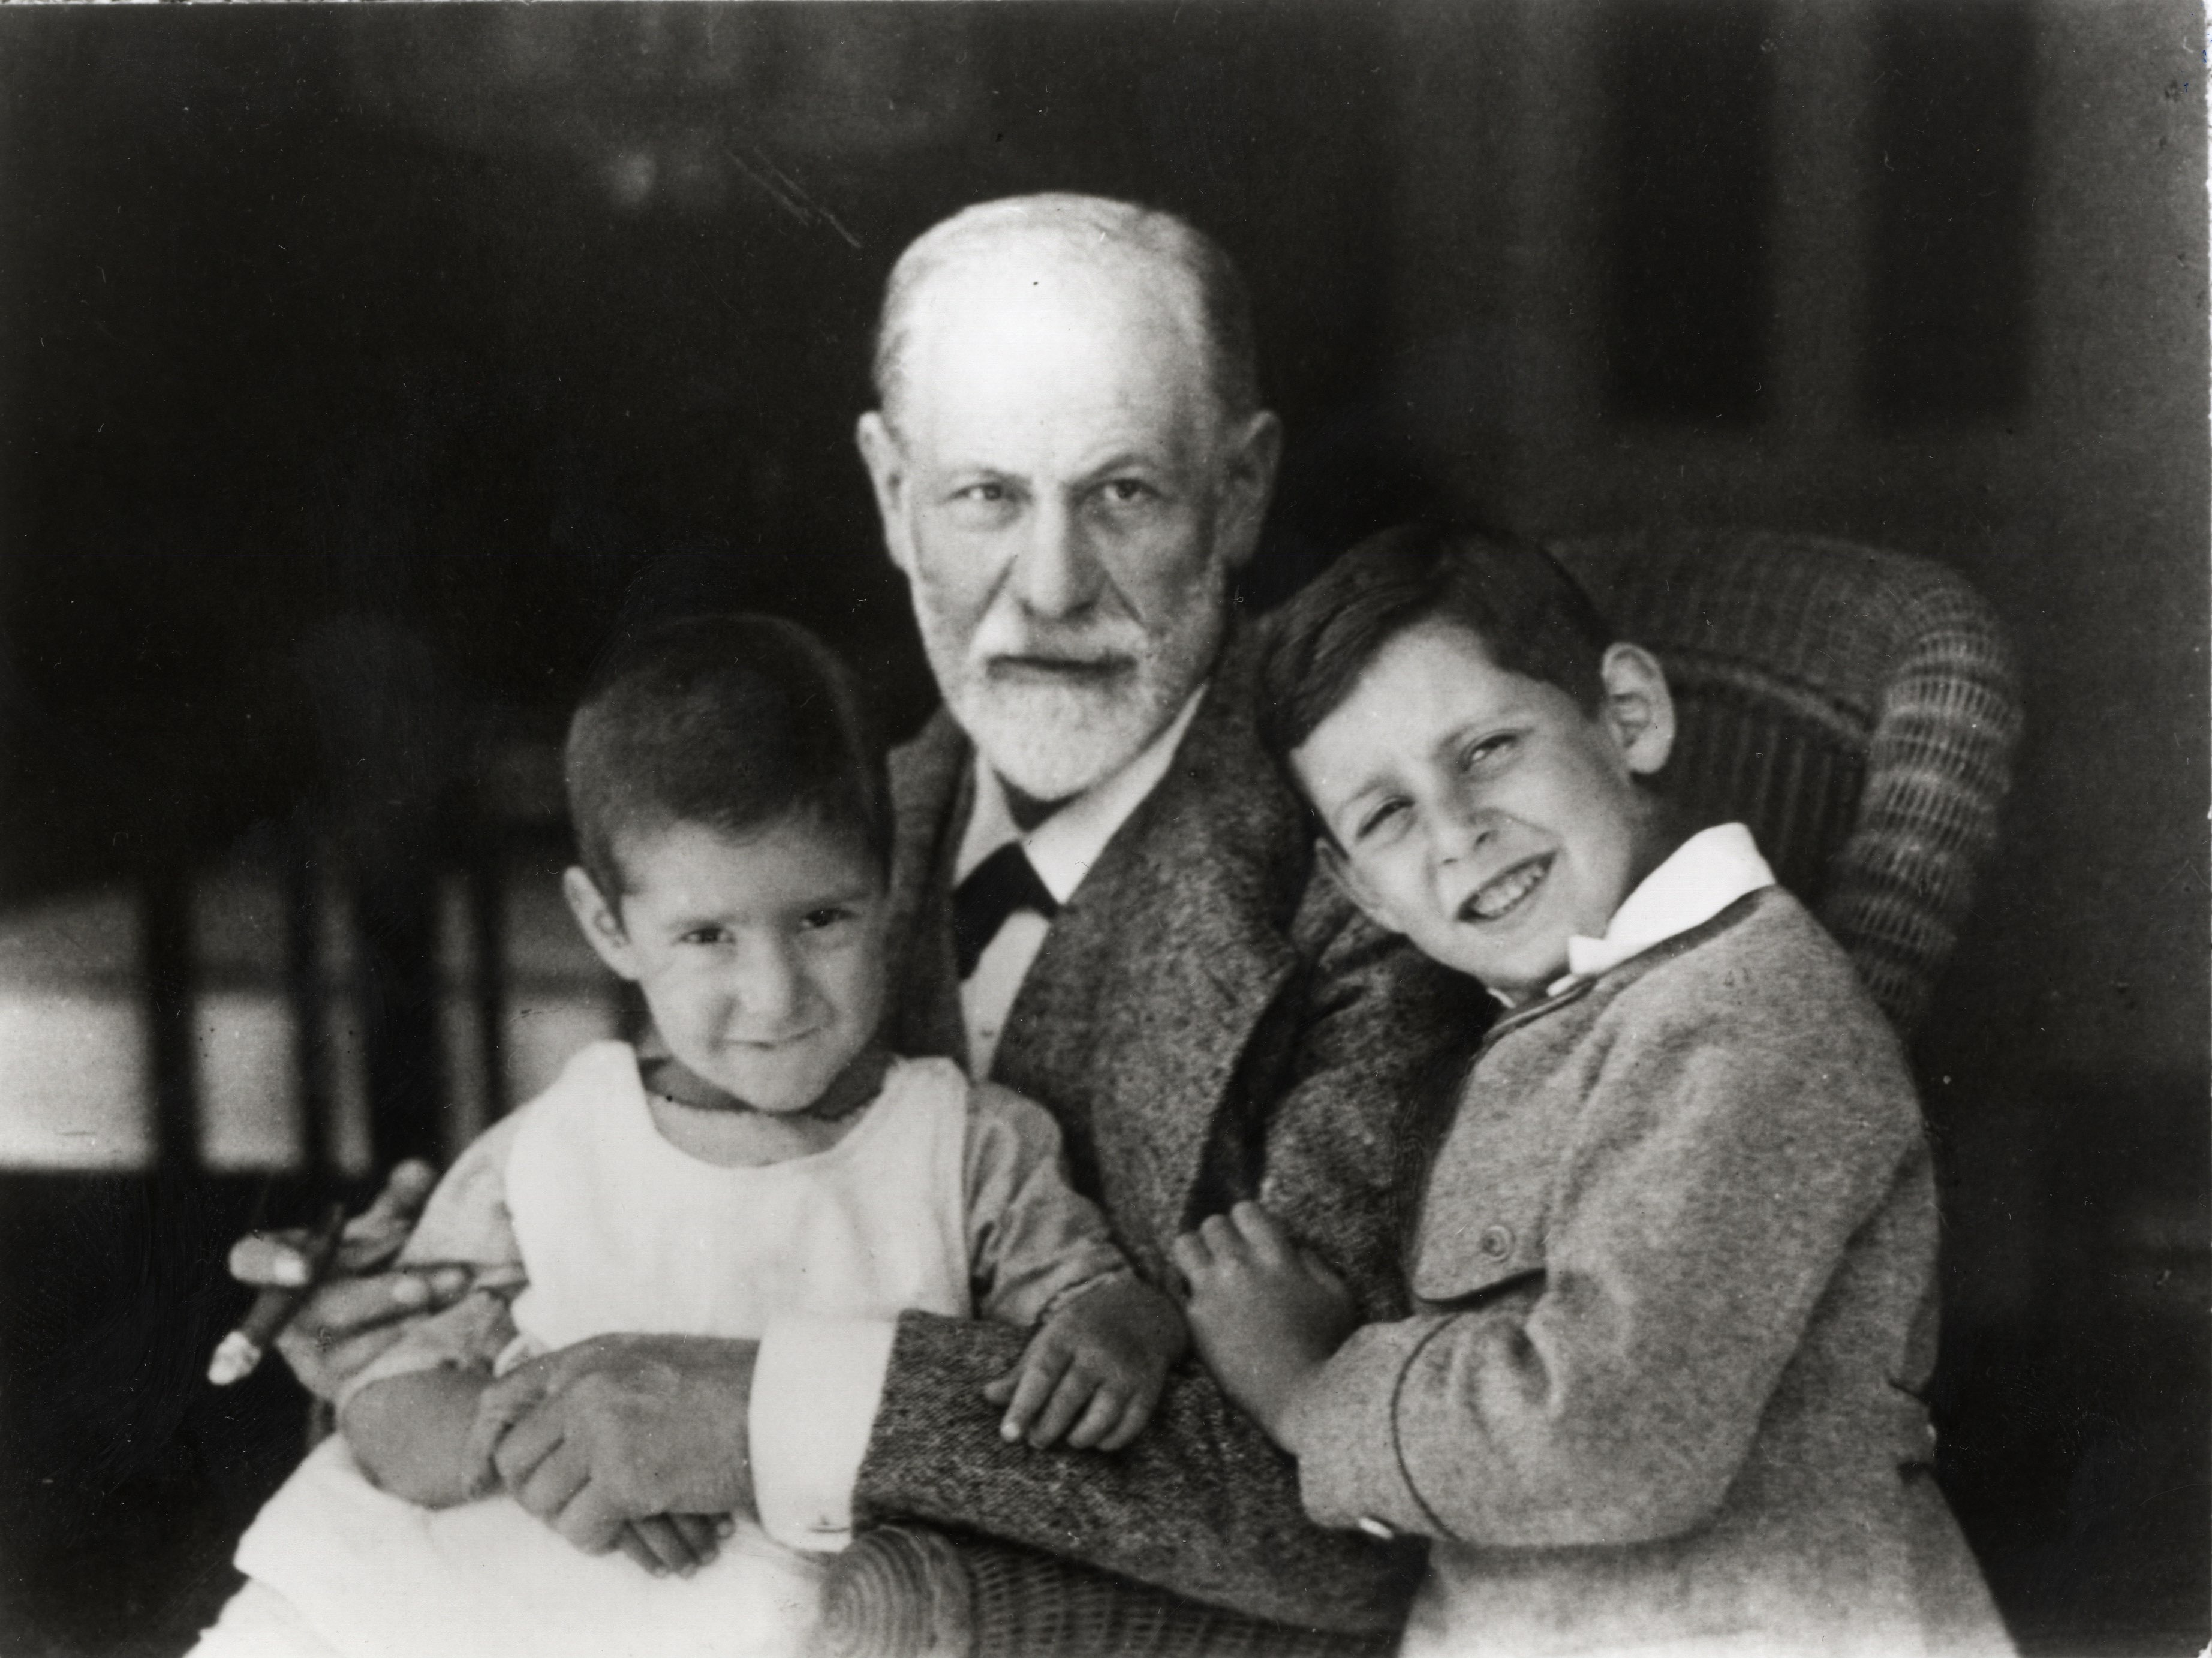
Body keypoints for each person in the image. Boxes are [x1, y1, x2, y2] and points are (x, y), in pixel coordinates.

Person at [228, 193, 1482, 1641]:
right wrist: (402, 1323)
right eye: (986, 498)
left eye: (1125, 492)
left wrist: (778, 1408)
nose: (1054, 585)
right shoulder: (787, 839)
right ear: (893, 496)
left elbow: (1349, 1517)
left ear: (1245, 487)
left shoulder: (1378, 884)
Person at [194, 613, 1185, 1658]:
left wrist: (1126, 1326)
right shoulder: (552, 1145)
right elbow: (387, 1402)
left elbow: (1085, 1315)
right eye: (706, 935)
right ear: (608, 927)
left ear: (889, 894)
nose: (773, 993)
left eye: (822, 920)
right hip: (473, 1595)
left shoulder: (967, 1144)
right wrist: (535, 1446)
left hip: (762, 1620)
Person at [1175, 525, 2012, 1656]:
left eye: (1483, 751)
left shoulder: (1746, 1010)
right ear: (1358, 893)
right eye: (1386, 815)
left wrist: (1309, 1394)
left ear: (1627, 716)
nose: (1457, 833)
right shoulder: (1560, 1023)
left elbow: (1612, 1435)